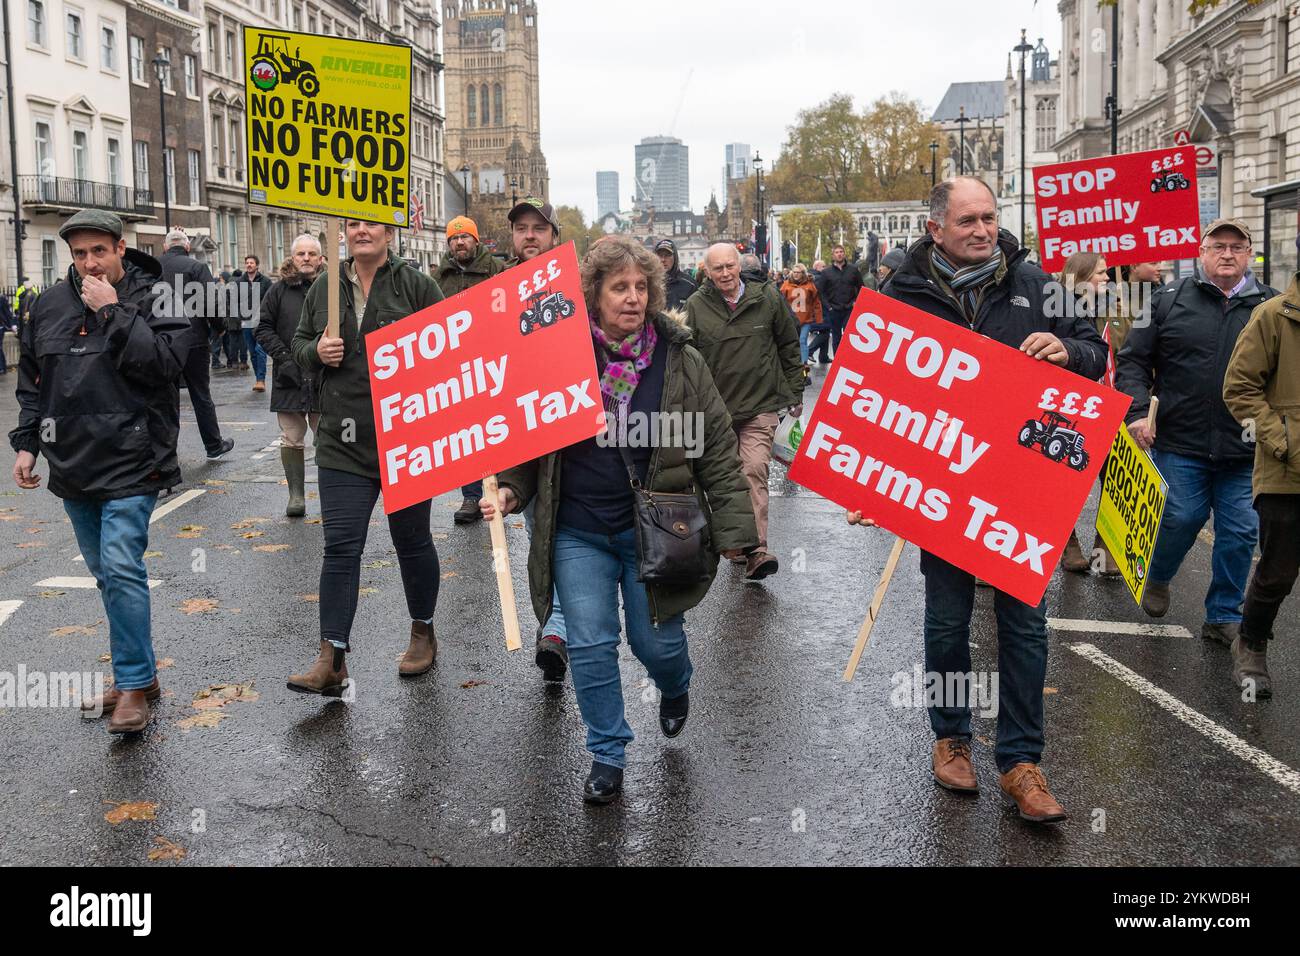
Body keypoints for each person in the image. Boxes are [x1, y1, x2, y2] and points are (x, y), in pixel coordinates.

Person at [482, 236, 756, 803]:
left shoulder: (680, 359)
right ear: (593, 295)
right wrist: (510, 490)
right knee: (589, 643)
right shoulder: (558, 356)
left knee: (656, 647)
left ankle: (675, 686)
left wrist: (738, 537)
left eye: (641, 287)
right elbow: (530, 440)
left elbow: (718, 451)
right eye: (619, 288)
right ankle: (607, 752)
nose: (632, 298)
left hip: (655, 531)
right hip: (579, 531)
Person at [873, 176, 1107, 824]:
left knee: (1025, 625)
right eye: (968, 220)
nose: (981, 229)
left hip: (1023, 479)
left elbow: (1093, 351)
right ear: (936, 229)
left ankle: (1021, 762)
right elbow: (876, 393)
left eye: (989, 217)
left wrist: (1068, 351)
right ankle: (951, 737)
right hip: (942, 483)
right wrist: (876, 480)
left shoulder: (1038, 284)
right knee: (948, 621)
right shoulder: (904, 294)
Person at [9, 210, 192, 734]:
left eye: (99, 251)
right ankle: (141, 672)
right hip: (72, 462)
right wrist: (27, 446)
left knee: (121, 565)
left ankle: (133, 684)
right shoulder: (47, 305)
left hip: (136, 459)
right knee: (105, 575)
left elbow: (166, 367)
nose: (89, 263)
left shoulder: (155, 297)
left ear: (120, 248)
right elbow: (34, 382)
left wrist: (114, 313)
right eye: (79, 253)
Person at [286, 220, 446, 694]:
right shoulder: (324, 286)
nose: (360, 231)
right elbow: (296, 347)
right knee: (341, 545)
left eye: (370, 224)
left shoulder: (416, 284)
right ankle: (331, 656)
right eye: (351, 224)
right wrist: (316, 350)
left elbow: (453, 347)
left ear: (390, 233)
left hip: (406, 439)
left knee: (411, 541)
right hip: (341, 441)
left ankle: (423, 631)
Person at [1116, 219, 1278, 644]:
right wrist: (1136, 412)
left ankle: (1223, 614)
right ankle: (1159, 575)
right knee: (1181, 517)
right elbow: (1132, 361)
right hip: (1180, 440)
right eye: (1218, 246)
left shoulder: (1271, 306)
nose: (1227, 254)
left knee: (1241, 531)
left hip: (1245, 447)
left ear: (1250, 254)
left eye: (1237, 246)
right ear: (1201, 253)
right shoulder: (1167, 299)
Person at [685, 242, 803, 581]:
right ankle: (733, 541)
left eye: (729, 266)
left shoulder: (766, 298)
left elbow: (788, 345)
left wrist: (794, 392)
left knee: (753, 470)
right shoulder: (695, 306)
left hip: (760, 406)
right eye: (717, 268)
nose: (724, 273)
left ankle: (756, 550)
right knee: (721, 478)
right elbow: (687, 360)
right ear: (706, 272)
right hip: (716, 412)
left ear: (738, 266)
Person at [1221, 256, 1299, 699]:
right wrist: (1284, 441)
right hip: (1287, 472)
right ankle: (1250, 643)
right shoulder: (1273, 315)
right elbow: (1240, 387)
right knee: (1277, 572)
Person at [505, 197, 571, 682]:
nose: (530, 236)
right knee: (539, 533)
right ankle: (554, 626)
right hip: (522, 439)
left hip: (574, 434)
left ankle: (560, 630)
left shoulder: (576, 284)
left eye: (538, 228)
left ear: (553, 234)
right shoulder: (496, 292)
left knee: (569, 535)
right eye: (521, 228)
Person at [1055, 252, 1121, 576]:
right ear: (1079, 277)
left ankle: (1105, 545)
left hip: (1109, 403)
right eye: (1100, 273)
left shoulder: (1114, 310)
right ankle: (1067, 545)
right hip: (1071, 406)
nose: (1106, 278)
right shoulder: (1056, 309)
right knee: (1067, 479)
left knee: (1114, 476)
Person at [435, 215, 505, 525]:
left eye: (464, 237)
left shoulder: (497, 271)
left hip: (492, 362)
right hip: (457, 369)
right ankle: (472, 496)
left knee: (496, 428)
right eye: (454, 238)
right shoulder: (438, 278)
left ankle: (498, 490)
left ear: (475, 240)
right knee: (468, 432)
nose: (459, 242)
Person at [256, 235, 324, 518]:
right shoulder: (278, 291)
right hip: (290, 376)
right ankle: (296, 495)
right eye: (301, 254)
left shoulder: (332, 287)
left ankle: (332, 496)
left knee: (329, 440)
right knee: (292, 438)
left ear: (320, 258)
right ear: (292, 258)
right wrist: (284, 357)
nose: (306, 258)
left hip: (326, 376)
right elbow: (263, 328)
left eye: (311, 254)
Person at [159, 229, 234, 462]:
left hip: (161, 340)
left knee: (164, 398)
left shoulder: (152, 266)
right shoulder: (197, 267)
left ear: (165, 247)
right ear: (187, 247)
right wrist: (219, 326)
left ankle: (166, 452)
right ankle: (213, 445)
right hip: (193, 339)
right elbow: (210, 302)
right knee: (200, 394)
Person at [815, 244, 865, 359]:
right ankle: (838, 360)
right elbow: (820, 291)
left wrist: (856, 302)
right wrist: (828, 307)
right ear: (833, 255)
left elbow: (861, 287)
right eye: (837, 252)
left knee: (850, 336)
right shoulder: (826, 272)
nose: (839, 254)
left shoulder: (853, 270)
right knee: (836, 337)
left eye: (841, 252)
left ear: (844, 253)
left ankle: (850, 359)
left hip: (849, 308)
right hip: (834, 309)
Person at [233, 255, 272, 392]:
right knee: (252, 352)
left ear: (257, 265)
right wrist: (239, 316)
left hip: (262, 322)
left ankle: (261, 380)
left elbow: (272, 300)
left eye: (251, 263)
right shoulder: (239, 282)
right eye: (247, 263)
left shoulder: (266, 282)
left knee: (260, 349)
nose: (249, 265)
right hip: (246, 321)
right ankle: (258, 379)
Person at [780, 262, 823, 369]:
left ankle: (804, 363)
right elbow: (779, 301)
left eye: (798, 272)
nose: (795, 274)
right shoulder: (785, 285)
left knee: (802, 340)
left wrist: (818, 318)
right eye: (794, 272)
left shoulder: (810, 285)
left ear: (803, 273)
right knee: (791, 342)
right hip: (790, 320)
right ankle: (791, 363)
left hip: (806, 320)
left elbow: (816, 302)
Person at [654, 238, 696, 311]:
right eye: (660, 255)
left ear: (675, 258)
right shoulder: (650, 284)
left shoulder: (689, 284)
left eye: (667, 255)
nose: (663, 259)